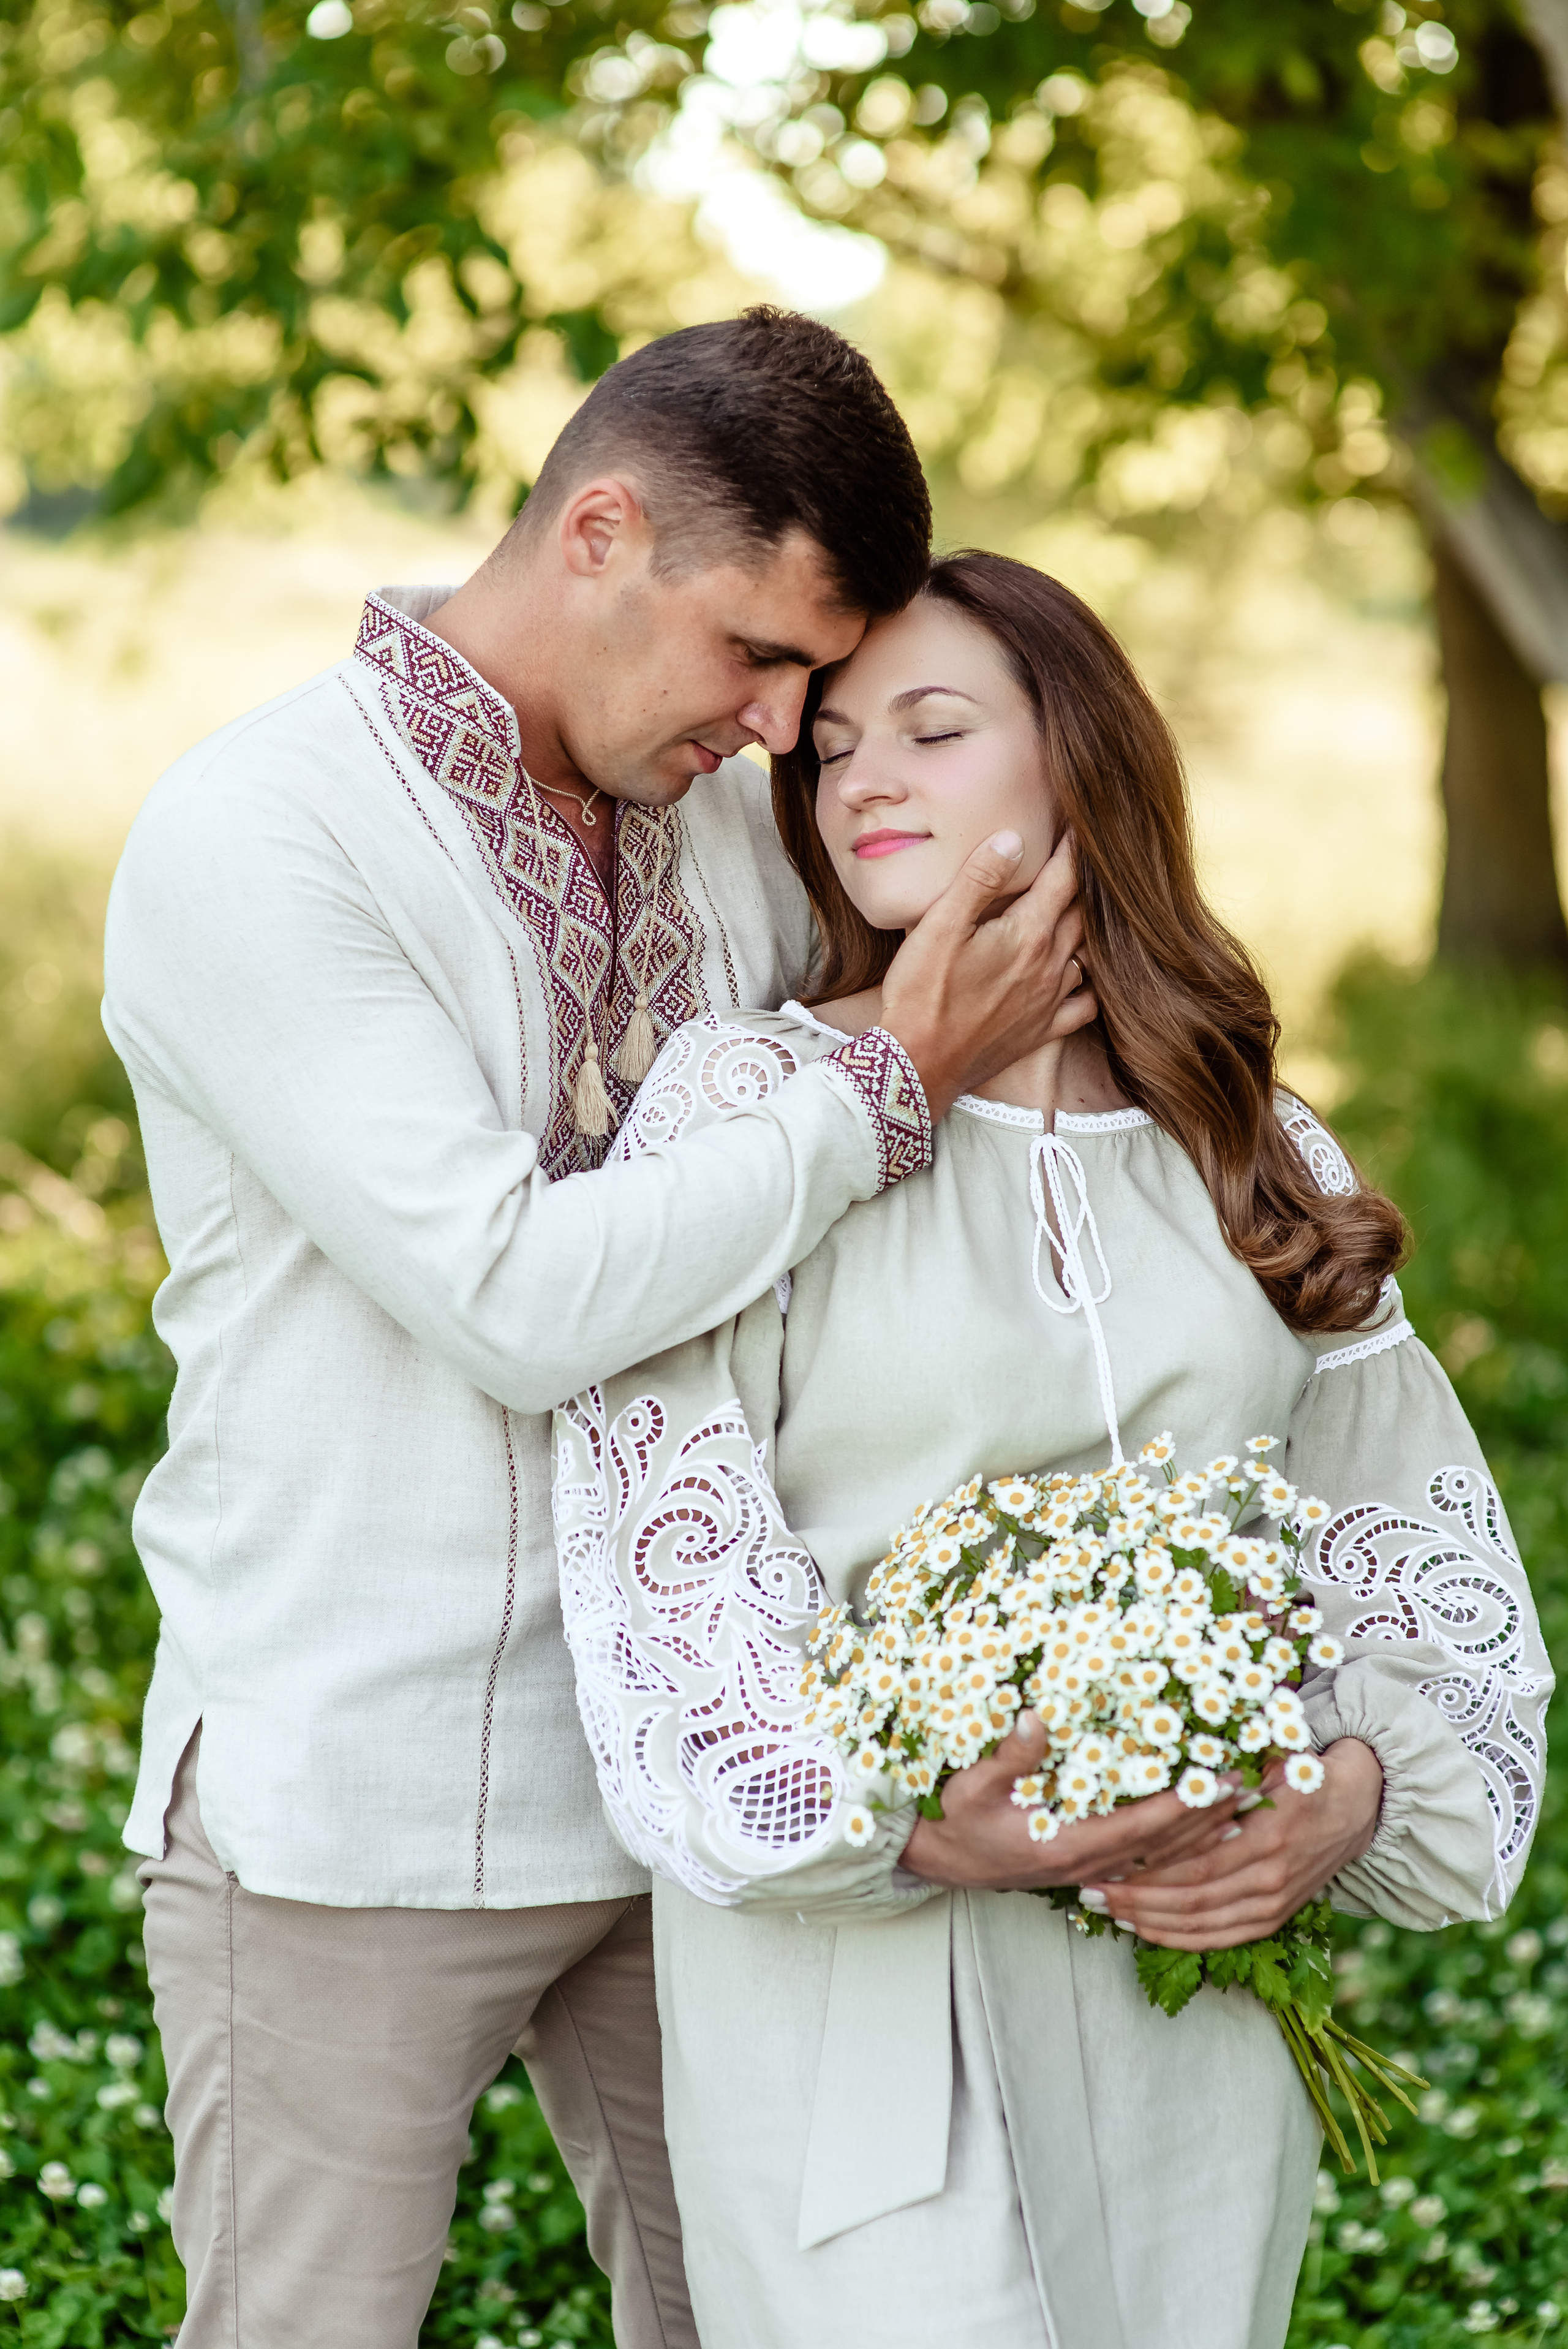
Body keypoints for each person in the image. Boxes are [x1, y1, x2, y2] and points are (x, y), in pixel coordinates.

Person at [101, 319, 1095, 2349]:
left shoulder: (721, 816)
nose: (784, 722)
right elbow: (515, 1294)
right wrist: (875, 1087)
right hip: (348, 1801)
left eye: (814, 678)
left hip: (715, 1785)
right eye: (754, 653)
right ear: (603, 530)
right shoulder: (262, 835)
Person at [552, 551, 1553, 2349]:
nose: (862, 779)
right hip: (861, 2003)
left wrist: (1347, 1801)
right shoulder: (745, 1110)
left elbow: (1423, 1555)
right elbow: (662, 1587)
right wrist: (911, 1820)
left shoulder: (1248, 1137)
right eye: (835, 744)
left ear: (1076, 761)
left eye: (935, 729)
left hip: (1192, 1986)